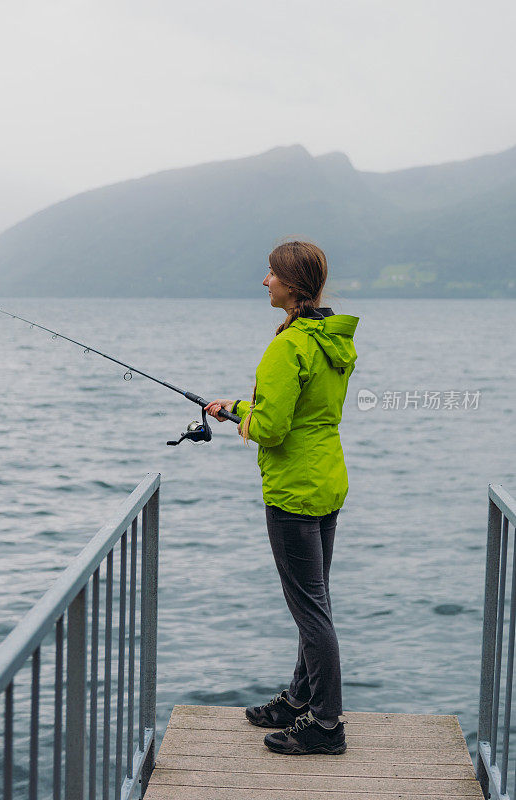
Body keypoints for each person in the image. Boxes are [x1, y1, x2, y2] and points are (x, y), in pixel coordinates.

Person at [204, 240, 359, 755]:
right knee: (315, 601)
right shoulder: (328, 341)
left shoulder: (285, 346)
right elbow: (298, 408)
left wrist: (239, 419)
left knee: (311, 609)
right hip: (327, 481)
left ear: (291, 285)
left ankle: (326, 725)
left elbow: (271, 428)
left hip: (294, 491)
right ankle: (299, 699)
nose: (264, 281)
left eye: (271, 274)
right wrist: (240, 405)